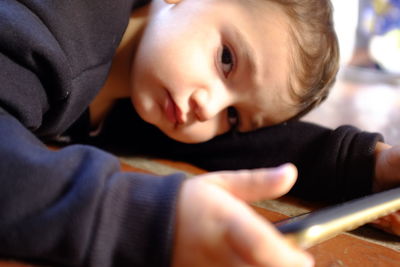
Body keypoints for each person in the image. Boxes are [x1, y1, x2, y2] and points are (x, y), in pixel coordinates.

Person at [1, 0, 400, 267]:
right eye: (226, 60)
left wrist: (368, 165)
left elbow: (249, 145)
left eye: (232, 116)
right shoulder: (60, 24)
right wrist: (148, 218)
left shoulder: (156, 86)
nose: (208, 108)